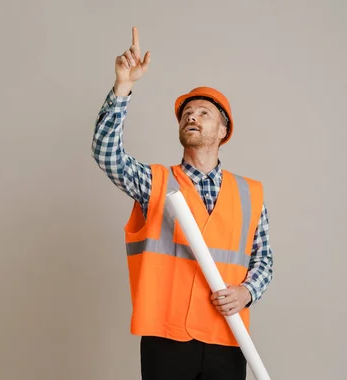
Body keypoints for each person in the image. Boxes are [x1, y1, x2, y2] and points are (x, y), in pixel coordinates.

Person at [91, 26, 274, 380]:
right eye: (187, 112)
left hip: (227, 335)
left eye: (204, 112)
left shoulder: (250, 194)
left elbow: (264, 259)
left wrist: (246, 292)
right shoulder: (155, 183)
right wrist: (122, 88)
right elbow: (106, 153)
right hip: (166, 337)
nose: (192, 116)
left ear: (224, 130)